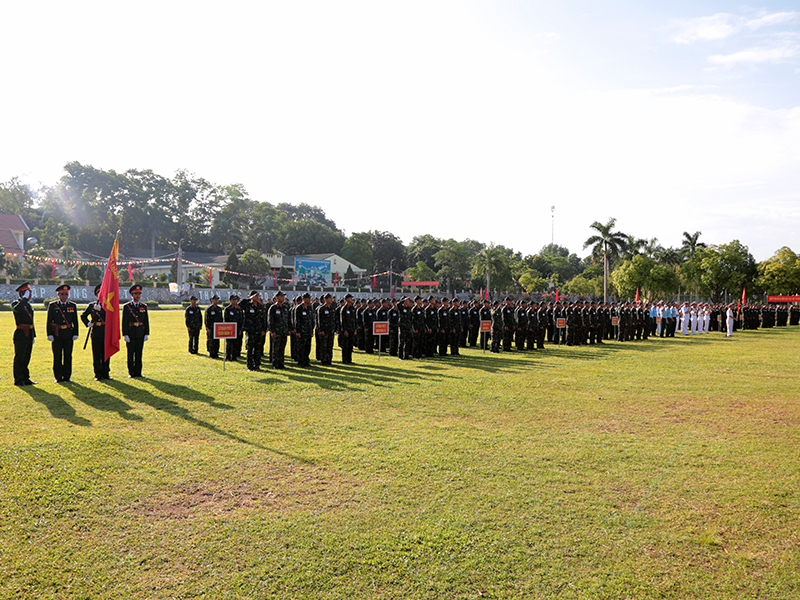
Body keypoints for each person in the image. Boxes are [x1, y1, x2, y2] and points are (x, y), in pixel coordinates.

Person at [46, 284, 79, 383]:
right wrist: (49, 334)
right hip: (57, 334)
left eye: (66, 294)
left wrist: (75, 333)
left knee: (68, 355)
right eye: (62, 294)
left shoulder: (72, 305)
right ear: (58, 295)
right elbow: (49, 321)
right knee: (57, 356)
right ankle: (58, 377)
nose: (64, 296)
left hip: (68, 333)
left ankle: (67, 376)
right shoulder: (53, 305)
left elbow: (75, 321)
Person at [81, 284, 111, 380]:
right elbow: (83, 316)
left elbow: (111, 317)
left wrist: (101, 310)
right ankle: (97, 374)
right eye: (99, 293)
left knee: (106, 354)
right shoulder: (91, 305)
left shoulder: (109, 305)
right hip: (96, 332)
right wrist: (88, 323)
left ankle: (106, 373)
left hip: (106, 332)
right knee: (97, 354)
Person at [122, 284, 149, 377]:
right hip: (131, 332)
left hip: (140, 333)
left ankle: (138, 372)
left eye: (139, 294)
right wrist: (125, 334)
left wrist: (146, 333)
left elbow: (146, 321)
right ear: (132, 295)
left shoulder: (143, 306)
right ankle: (131, 373)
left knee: (139, 353)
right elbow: (124, 321)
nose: (138, 295)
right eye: (136, 294)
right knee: (130, 354)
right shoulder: (127, 307)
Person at [12, 282, 36, 386]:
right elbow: (17, 309)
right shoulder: (16, 303)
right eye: (28, 293)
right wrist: (24, 299)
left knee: (26, 357)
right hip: (21, 334)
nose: (30, 295)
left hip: (29, 334)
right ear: (23, 294)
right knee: (20, 358)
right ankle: (18, 379)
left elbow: (31, 321)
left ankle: (26, 378)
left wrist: (33, 335)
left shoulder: (28, 305)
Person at [267, 291, 289, 368]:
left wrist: (288, 330)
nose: (283, 298)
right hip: (276, 332)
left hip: (284, 331)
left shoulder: (285, 308)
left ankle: (281, 364)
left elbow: (287, 320)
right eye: (281, 296)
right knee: (275, 349)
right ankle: (275, 364)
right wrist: (272, 331)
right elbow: (270, 321)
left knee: (282, 349)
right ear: (277, 298)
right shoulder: (273, 308)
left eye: (283, 296)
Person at [293, 293, 314, 367]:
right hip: (301, 331)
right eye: (308, 298)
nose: (309, 300)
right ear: (304, 299)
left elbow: (312, 320)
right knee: (301, 347)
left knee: (307, 347)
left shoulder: (309, 308)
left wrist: (311, 330)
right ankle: (300, 362)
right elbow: (296, 321)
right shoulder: (299, 308)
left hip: (308, 331)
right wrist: (297, 331)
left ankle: (306, 361)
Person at [316, 293, 336, 365]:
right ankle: (324, 360)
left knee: (330, 346)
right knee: (324, 346)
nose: (331, 300)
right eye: (330, 298)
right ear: (326, 299)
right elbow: (319, 320)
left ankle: (329, 360)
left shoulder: (332, 308)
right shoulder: (321, 309)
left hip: (331, 330)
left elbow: (334, 319)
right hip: (324, 330)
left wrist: (335, 328)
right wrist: (321, 330)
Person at [337, 294, 358, 364]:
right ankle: (345, 360)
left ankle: (349, 360)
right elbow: (342, 321)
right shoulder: (344, 309)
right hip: (346, 330)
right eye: (350, 298)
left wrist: (355, 329)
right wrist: (345, 330)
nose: (351, 299)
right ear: (346, 299)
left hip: (352, 329)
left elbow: (355, 319)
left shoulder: (352, 308)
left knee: (350, 346)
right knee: (345, 346)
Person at [224, 294, 244, 361]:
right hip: (230, 329)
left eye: (236, 300)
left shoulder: (239, 309)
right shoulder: (227, 309)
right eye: (233, 300)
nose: (235, 301)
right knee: (229, 344)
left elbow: (241, 320)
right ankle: (228, 356)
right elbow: (226, 320)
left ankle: (234, 356)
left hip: (237, 329)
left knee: (236, 343)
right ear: (230, 301)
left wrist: (240, 329)